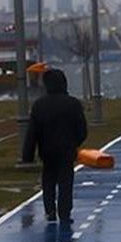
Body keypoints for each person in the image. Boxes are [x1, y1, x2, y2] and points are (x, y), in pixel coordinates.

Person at [23, 68, 88, 223]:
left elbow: (32, 132)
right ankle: (65, 212)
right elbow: (82, 130)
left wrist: (28, 156)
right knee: (66, 182)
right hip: (66, 150)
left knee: (48, 181)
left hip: (47, 151)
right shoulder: (73, 104)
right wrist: (74, 143)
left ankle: (50, 211)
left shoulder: (39, 105)